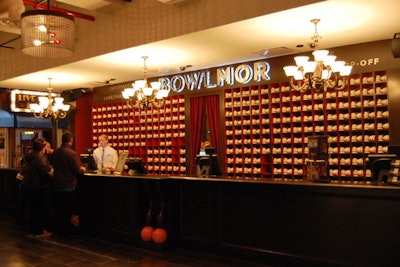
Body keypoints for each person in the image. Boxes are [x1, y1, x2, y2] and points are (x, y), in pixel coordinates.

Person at [51, 131, 85, 239]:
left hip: (57, 185)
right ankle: (66, 232)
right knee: (68, 210)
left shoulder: (55, 152)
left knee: (59, 209)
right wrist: (82, 169)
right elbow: (76, 170)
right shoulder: (71, 153)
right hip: (69, 185)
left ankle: (59, 230)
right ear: (71, 140)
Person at [20, 137, 54, 237]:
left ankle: (32, 230)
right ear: (41, 147)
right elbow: (44, 174)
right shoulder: (39, 158)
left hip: (29, 186)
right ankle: (38, 231)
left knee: (32, 209)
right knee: (39, 210)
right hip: (38, 187)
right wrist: (51, 173)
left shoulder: (30, 155)